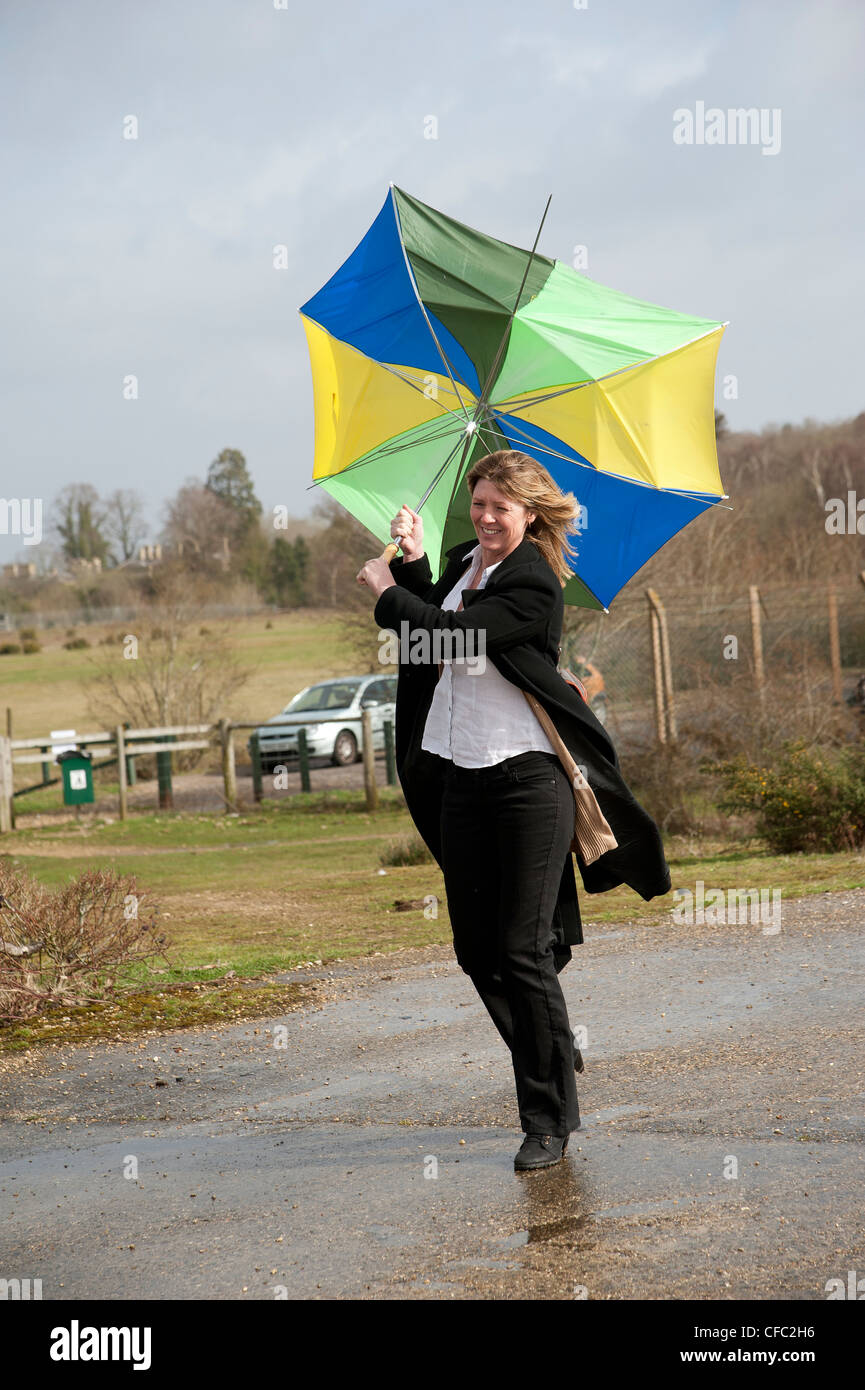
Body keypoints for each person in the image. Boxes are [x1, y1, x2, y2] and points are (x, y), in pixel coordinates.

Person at [356, 449, 671, 1171]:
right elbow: (430, 625)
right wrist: (408, 565)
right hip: (461, 776)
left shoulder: (534, 579)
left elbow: (454, 638)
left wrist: (382, 592)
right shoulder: (468, 561)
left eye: (501, 506)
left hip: (529, 781)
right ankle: (551, 1046)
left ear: (530, 512)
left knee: (522, 950)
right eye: (479, 504)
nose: (487, 518)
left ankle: (548, 1120)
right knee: (476, 949)